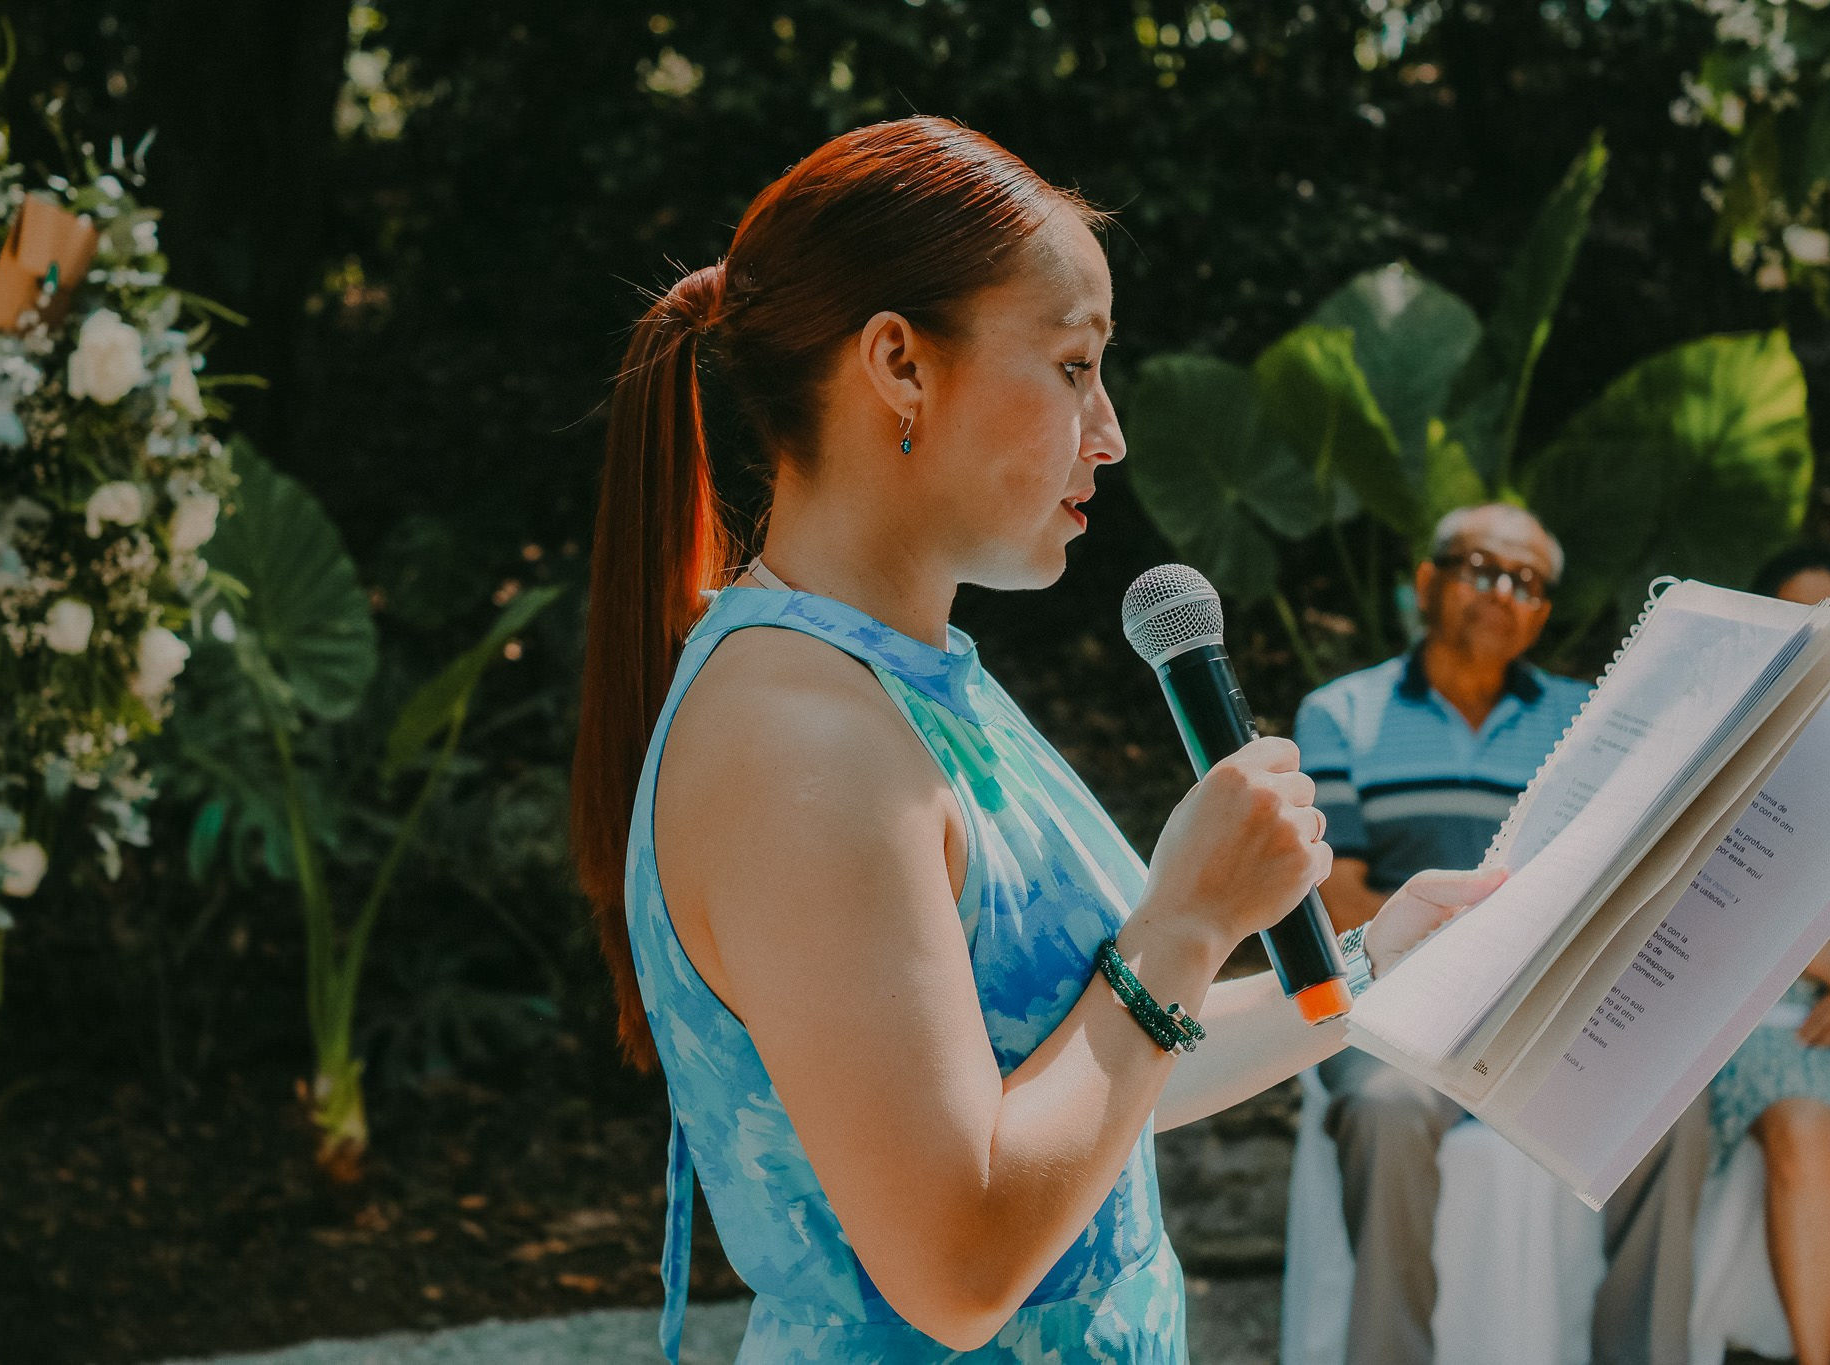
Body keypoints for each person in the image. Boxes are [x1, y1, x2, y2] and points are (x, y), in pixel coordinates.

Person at [568, 115, 1504, 1363]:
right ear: (898, 364)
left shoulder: (913, 681)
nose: (1109, 431)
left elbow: (1092, 1069)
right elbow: (955, 1267)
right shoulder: (796, 740)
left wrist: (1377, 969)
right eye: (1072, 366)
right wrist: (1182, 922)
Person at [1293, 503, 1705, 1365]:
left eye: (1525, 582)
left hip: (1549, 1003)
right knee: (1383, 1108)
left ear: (1544, 613)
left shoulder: (1587, 718)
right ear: (1428, 582)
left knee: (1671, 1108)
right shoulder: (1343, 713)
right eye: (1481, 567)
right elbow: (1341, 893)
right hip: (1399, 1001)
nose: (1501, 591)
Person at [1706, 544, 1830, 1365]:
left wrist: (1827, 964)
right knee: (1802, 1122)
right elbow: (1718, 927)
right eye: (1793, 626)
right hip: (1757, 1023)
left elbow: (1777, 927)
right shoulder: (1724, 759)